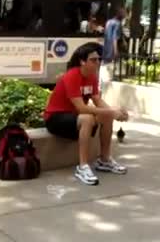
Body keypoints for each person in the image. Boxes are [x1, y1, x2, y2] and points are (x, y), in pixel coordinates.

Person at [43, 42, 129, 186]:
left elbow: (97, 100)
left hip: (75, 118)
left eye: (99, 59)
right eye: (93, 60)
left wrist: (114, 112)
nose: (98, 63)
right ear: (82, 61)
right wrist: (111, 111)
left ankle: (105, 160)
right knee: (87, 118)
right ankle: (82, 166)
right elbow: (82, 108)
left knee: (105, 115)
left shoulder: (92, 77)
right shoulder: (72, 76)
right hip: (55, 118)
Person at [99, 7, 127, 91]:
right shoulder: (117, 24)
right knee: (111, 71)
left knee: (104, 68)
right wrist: (115, 51)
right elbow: (115, 38)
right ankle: (106, 90)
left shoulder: (108, 22)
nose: (125, 16)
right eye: (125, 14)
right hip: (111, 51)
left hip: (106, 50)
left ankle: (100, 88)